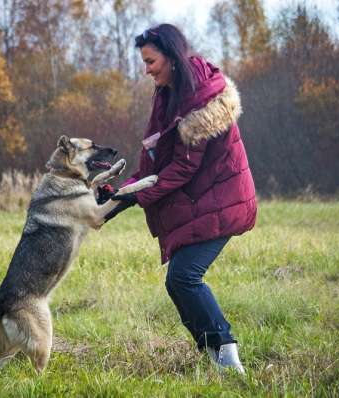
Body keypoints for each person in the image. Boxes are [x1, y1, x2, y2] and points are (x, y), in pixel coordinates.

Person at [103, 24, 257, 373]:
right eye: (144, 62)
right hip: (203, 201)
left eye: (151, 61)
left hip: (224, 200)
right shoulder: (169, 93)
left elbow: (181, 170)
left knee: (184, 276)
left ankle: (228, 356)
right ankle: (213, 354)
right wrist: (121, 191)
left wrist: (137, 197)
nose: (147, 69)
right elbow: (155, 159)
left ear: (171, 56)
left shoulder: (202, 101)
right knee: (178, 280)